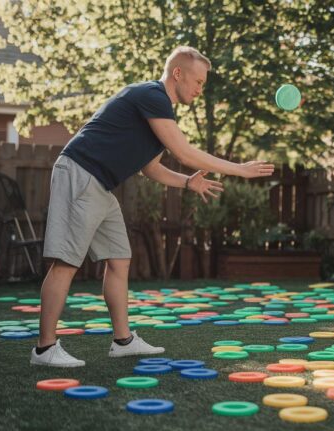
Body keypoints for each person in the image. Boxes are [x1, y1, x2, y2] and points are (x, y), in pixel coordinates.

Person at [31, 46, 274, 367]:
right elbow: (184, 152)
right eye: (198, 82)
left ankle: (123, 341)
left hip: (101, 184)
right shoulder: (152, 95)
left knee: (119, 259)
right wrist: (240, 169)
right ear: (178, 73)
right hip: (81, 172)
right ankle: (45, 349)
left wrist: (188, 182)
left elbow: (151, 168)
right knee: (66, 263)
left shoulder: (159, 111)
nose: (200, 90)